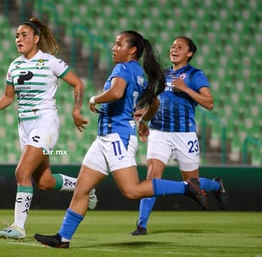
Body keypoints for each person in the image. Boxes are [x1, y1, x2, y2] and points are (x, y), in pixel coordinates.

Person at [34, 30, 208, 249]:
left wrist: (94, 98)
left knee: (132, 190)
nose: (114, 48)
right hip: (105, 138)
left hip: (117, 137)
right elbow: (153, 103)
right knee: (82, 189)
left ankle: (186, 188)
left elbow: (116, 93)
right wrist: (144, 121)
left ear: (132, 50)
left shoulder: (123, 68)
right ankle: (63, 238)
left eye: (119, 44)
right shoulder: (139, 73)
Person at [0, 17, 98, 240]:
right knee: (45, 182)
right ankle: (86, 187)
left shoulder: (50, 61)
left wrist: (76, 111)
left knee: (21, 172)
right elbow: (8, 96)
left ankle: (18, 227)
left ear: (36, 39)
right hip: (24, 126)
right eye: (17, 35)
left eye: (24, 35)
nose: (19, 39)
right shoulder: (14, 65)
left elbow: (78, 84)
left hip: (45, 123)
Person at [130, 36, 229, 236]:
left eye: (180, 47)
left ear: (189, 53)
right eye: (173, 46)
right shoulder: (162, 74)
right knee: (152, 177)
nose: (174, 49)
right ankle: (141, 225)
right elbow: (157, 102)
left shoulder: (195, 75)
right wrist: (145, 115)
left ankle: (216, 185)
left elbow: (209, 103)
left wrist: (186, 90)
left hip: (184, 135)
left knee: (194, 184)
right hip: (159, 132)